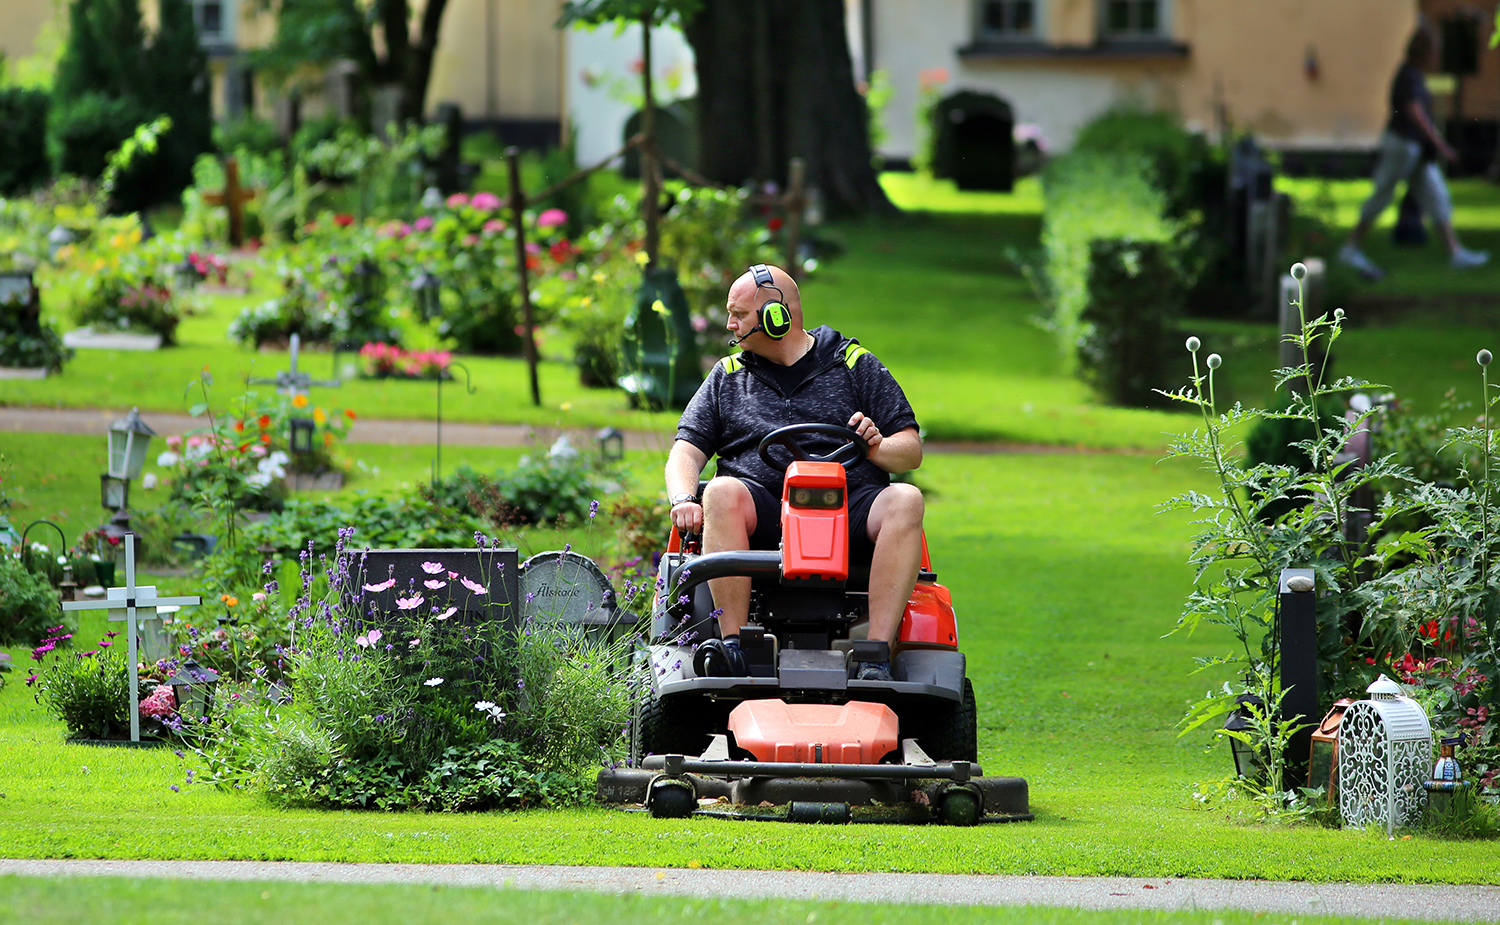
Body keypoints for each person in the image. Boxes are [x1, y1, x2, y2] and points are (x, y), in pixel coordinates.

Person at [664, 264, 924, 681]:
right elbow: (685, 452)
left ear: (776, 316)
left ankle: (875, 654)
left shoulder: (855, 364)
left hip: (849, 513)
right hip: (764, 517)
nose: (730, 324)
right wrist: (682, 498)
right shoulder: (728, 376)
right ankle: (733, 648)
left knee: (907, 499)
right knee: (720, 491)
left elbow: (910, 452)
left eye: (738, 314)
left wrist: (877, 447)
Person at [1339, 26, 1489, 280]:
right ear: (1426, 52)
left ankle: (1455, 252)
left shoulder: (1414, 75)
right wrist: (1441, 145)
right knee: (1383, 193)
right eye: (1435, 50)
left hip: (1416, 150)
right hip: (1402, 145)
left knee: (1436, 194)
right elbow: (1415, 114)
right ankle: (1351, 247)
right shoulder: (1408, 76)